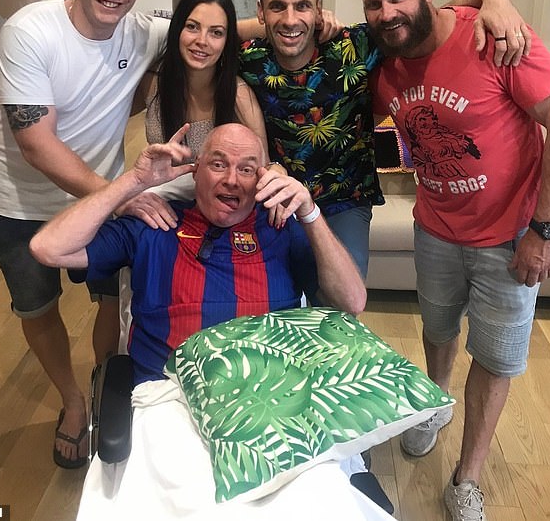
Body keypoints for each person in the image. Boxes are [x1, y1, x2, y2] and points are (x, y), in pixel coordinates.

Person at [359, 0, 550, 521]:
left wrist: (545, 229)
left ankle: (468, 476)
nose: (387, 11)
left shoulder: (494, 38)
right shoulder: (384, 61)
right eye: (373, 3)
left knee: (497, 358)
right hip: (435, 229)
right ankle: (435, 402)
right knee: (438, 328)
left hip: (510, 237)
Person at [0, 0, 171, 468]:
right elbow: (37, 144)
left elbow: (212, 24)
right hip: (20, 204)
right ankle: (71, 402)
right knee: (37, 307)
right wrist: (121, 194)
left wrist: (302, 15)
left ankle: (108, 382)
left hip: (101, 198)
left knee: (113, 298)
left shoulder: (141, 31)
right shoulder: (29, 32)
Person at [238, 0, 531, 288]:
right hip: (278, 202)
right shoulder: (249, 57)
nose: (290, 19)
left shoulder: (356, 46)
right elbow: (203, 30)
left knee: (342, 307)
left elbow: (423, 18)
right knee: (275, 301)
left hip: (345, 204)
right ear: (260, 10)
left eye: (303, 6)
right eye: (277, 7)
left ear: (318, 11)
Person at [29, 123, 366, 384]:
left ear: (262, 178)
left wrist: (308, 211)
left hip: (275, 392)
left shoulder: (280, 227)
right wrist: (132, 183)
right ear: (196, 169)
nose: (232, 180)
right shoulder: (154, 222)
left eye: (247, 169)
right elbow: (48, 248)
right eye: (218, 164)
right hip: (171, 395)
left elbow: (353, 302)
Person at [123, 0, 284, 231]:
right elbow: (106, 116)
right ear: (177, 29)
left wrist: (278, 171)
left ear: (226, 41)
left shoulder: (237, 95)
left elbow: (264, 164)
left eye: (216, 33)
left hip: (223, 211)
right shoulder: (154, 84)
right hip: (168, 205)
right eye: (192, 27)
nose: (202, 41)